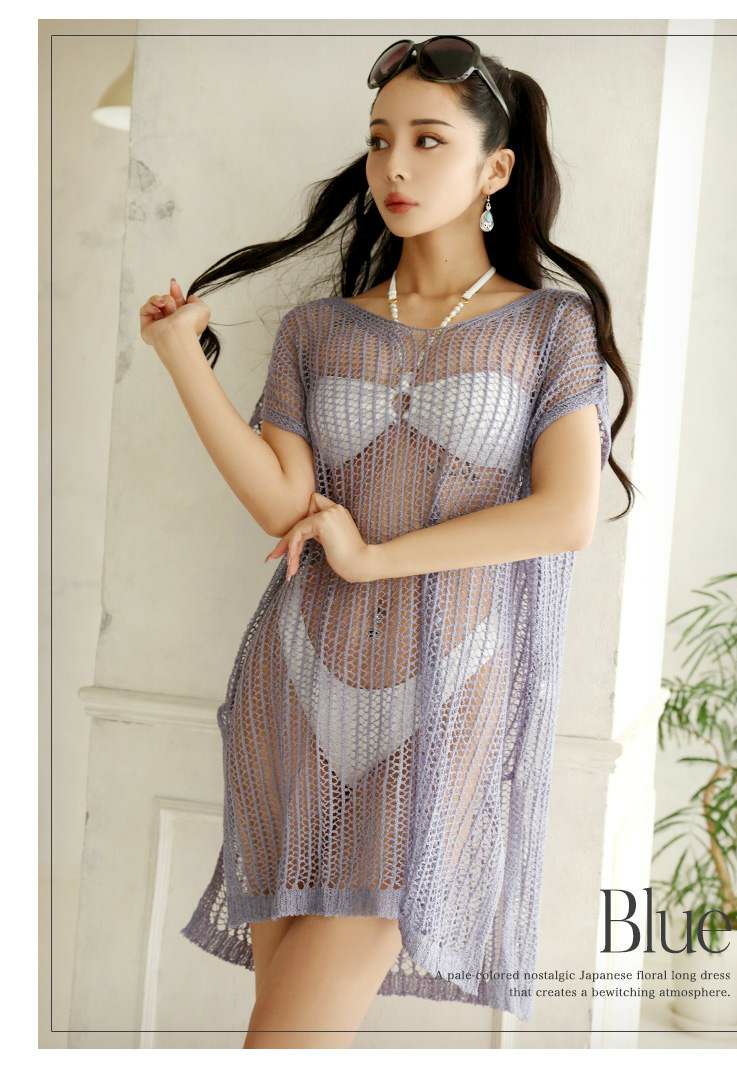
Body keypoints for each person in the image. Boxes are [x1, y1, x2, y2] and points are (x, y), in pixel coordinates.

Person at [139, 36, 636, 1050]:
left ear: (494, 169)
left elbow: (564, 514)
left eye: (426, 140)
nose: (393, 166)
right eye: (378, 140)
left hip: (449, 695)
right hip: (296, 687)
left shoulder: (550, 327)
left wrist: (371, 556)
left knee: (286, 1038)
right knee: (288, 1033)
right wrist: (180, 356)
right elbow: (282, 503)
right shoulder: (317, 330)